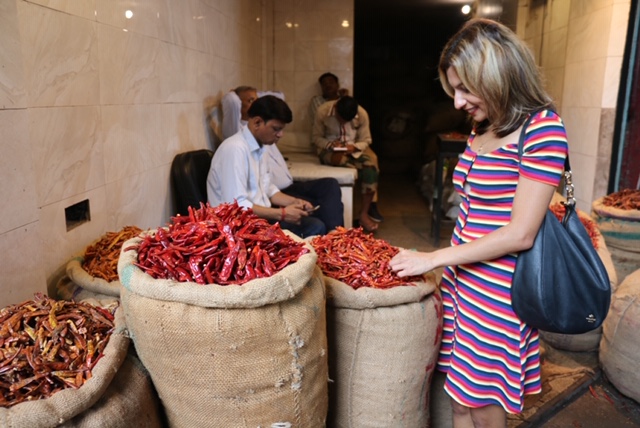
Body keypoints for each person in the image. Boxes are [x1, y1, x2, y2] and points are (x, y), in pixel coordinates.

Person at [389, 19, 569, 427]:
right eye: (453, 88)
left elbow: (521, 233)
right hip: (462, 284)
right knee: (458, 400)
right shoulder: (482, 127)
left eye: (465, 88)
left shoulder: (542, 130)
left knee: (485, 408)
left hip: (499, 293)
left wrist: (433, 257)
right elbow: (472, 213)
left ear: (499, 75)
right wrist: (446, 266)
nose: (456, 101)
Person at [221, 86, 344, 231]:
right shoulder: (235, 149)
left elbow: (268, 189)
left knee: (315, 220)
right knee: (315, 227)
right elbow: (236, 206)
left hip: (261, 217)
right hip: (242, 225)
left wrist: (294, 201)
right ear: (257, 123)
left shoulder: (261, 146)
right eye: (276, 129)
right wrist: (282, 214)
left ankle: (336, 240)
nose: (281, 135)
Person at [311, 95, 383, 232]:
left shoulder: (362, 114)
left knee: (371, 169)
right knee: (339, 160)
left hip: (353, 151)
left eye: (347, 121)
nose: (343, 123)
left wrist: (354, 147)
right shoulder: (323, 111)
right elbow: (316, 138)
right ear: (336, 108)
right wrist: (330, 145)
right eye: (340, 119)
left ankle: (364, 214)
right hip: (329, 150)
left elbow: (366, 140)